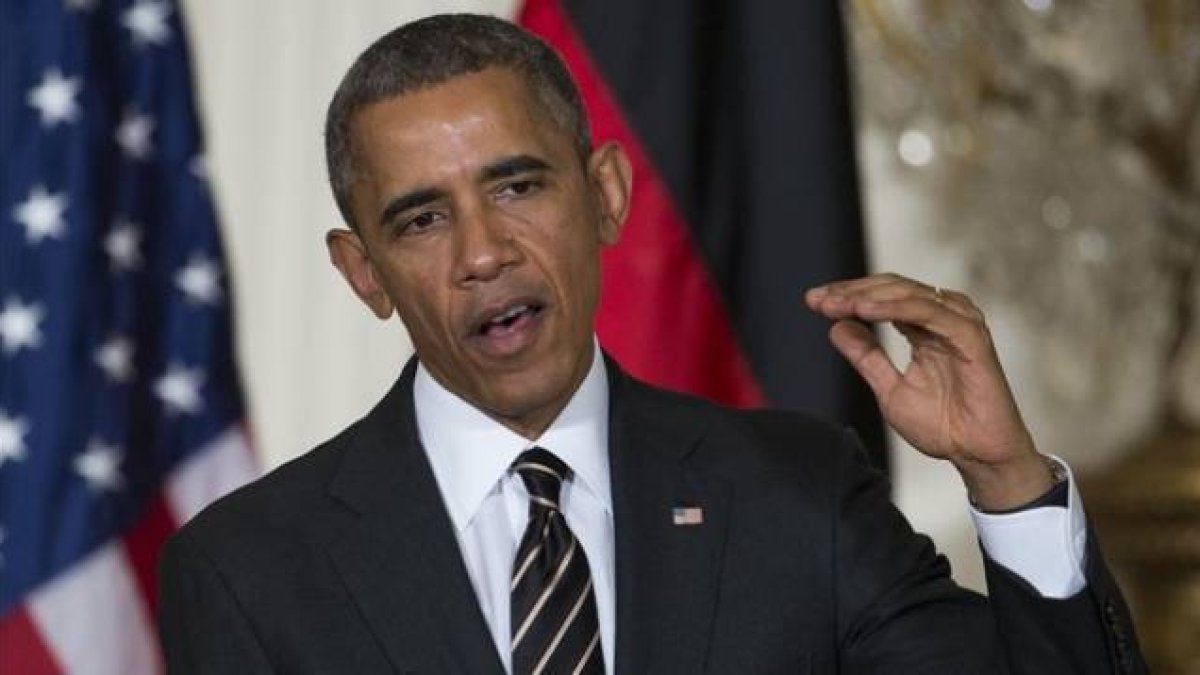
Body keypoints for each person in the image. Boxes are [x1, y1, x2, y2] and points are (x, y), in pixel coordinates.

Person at [157, 13, 1145, 675]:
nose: (484, 252)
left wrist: (1006, 482)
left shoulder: (795, 496)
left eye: (517, 186)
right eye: (421, 220)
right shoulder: (248, 570)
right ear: (363, 270)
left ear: (608, 197)